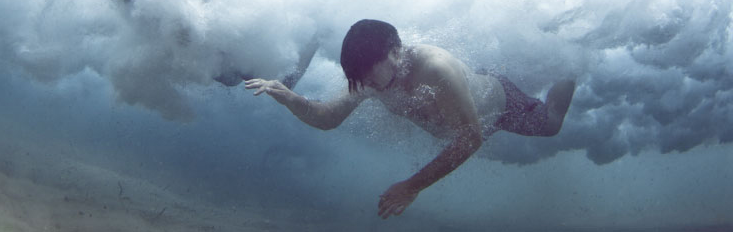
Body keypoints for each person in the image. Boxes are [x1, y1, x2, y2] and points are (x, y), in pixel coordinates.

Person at [245, 19, 575, 219]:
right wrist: (289, 98)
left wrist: (411, 187)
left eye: (370, 77)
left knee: (551, 124)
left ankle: (570, 68)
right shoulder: (370, 78)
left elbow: (470, 138)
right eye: (359, 78)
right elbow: (329, 118)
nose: (366, 85)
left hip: (500, 104)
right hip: (465, 95)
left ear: (396, 53)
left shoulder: (434, 68)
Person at [101, 0, 318, 89]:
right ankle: (312, 33)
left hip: (228, 35)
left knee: (281, 87)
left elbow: (194, 26)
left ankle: (315, 35)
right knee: (243, 80)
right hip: (221, 40)